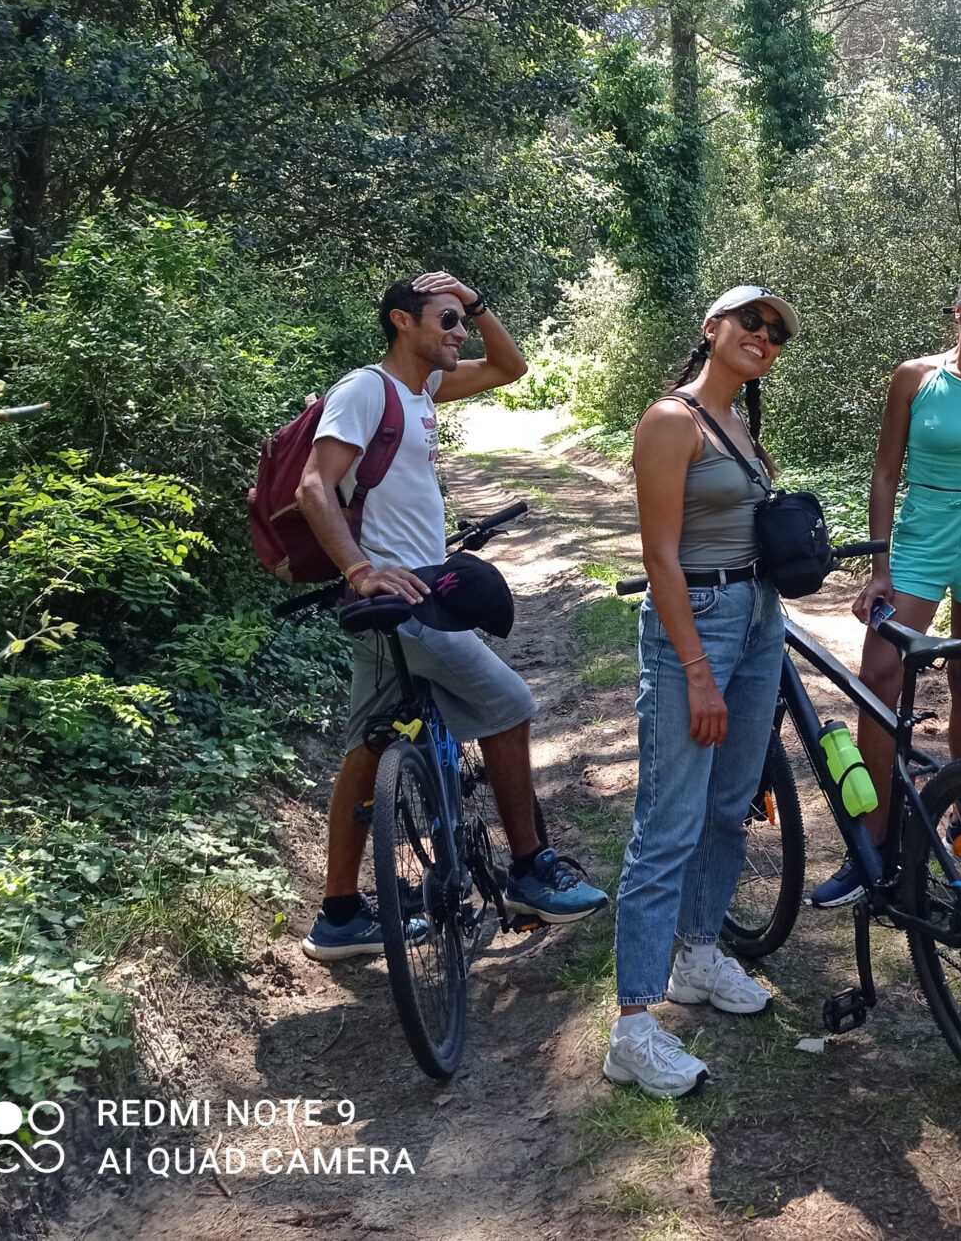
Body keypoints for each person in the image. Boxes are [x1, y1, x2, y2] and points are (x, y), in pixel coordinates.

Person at [298, 272, 607, 964]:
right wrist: (359, 568)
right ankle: (530, 869)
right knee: (510, 702)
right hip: (400, 601)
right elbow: (314, 485)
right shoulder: (364, 390)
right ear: (402, 322)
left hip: (405, 598)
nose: (459, 332)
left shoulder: (422, 390)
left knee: (367, 744)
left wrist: (479, 301)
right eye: (446, 320)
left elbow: (510, 368)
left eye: (463, 320)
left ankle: (339, 915)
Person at [811, 265, 961, 909]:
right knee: (881, 675)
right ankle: (874, 841)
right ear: (959, 309)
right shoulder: (916, 377)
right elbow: (886, 471)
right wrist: (881, 565)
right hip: (920, 534)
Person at [607, 285, 800, 1098]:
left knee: (729, 805)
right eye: (750, 321)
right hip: (699, 618)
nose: (763, 334)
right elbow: (659, 556)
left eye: (776, 331)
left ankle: (697, 955)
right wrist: (694, 670)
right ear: (712, 329)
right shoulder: (670, 421)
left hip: (758, 616)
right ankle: (633, 1027)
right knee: (669, 824)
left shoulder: (743, 429)